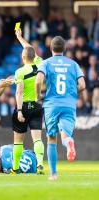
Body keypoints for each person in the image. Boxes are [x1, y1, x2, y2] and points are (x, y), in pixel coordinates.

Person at [36, 36, 86, 181]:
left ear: (51, 48)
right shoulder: (73, 64)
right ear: (64, 49)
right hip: (69, 104)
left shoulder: (46, 63)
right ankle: (69, 142)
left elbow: (38, 80)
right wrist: (71, 93)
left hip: (51, 104)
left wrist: (38, 95)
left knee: (51, 138)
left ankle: (53, 174)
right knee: (66, 135)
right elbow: (82, 85)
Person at [11, 29, 45, 174]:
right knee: (37, 138)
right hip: (37, 105)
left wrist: (19, 111)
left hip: (23, 107)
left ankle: (15, 168)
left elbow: (19, 92)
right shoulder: (40, 64)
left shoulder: (20, 72)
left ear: (23, 57)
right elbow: (29, 49)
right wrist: (20, 38)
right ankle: (40, 164)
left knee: (18, 141)